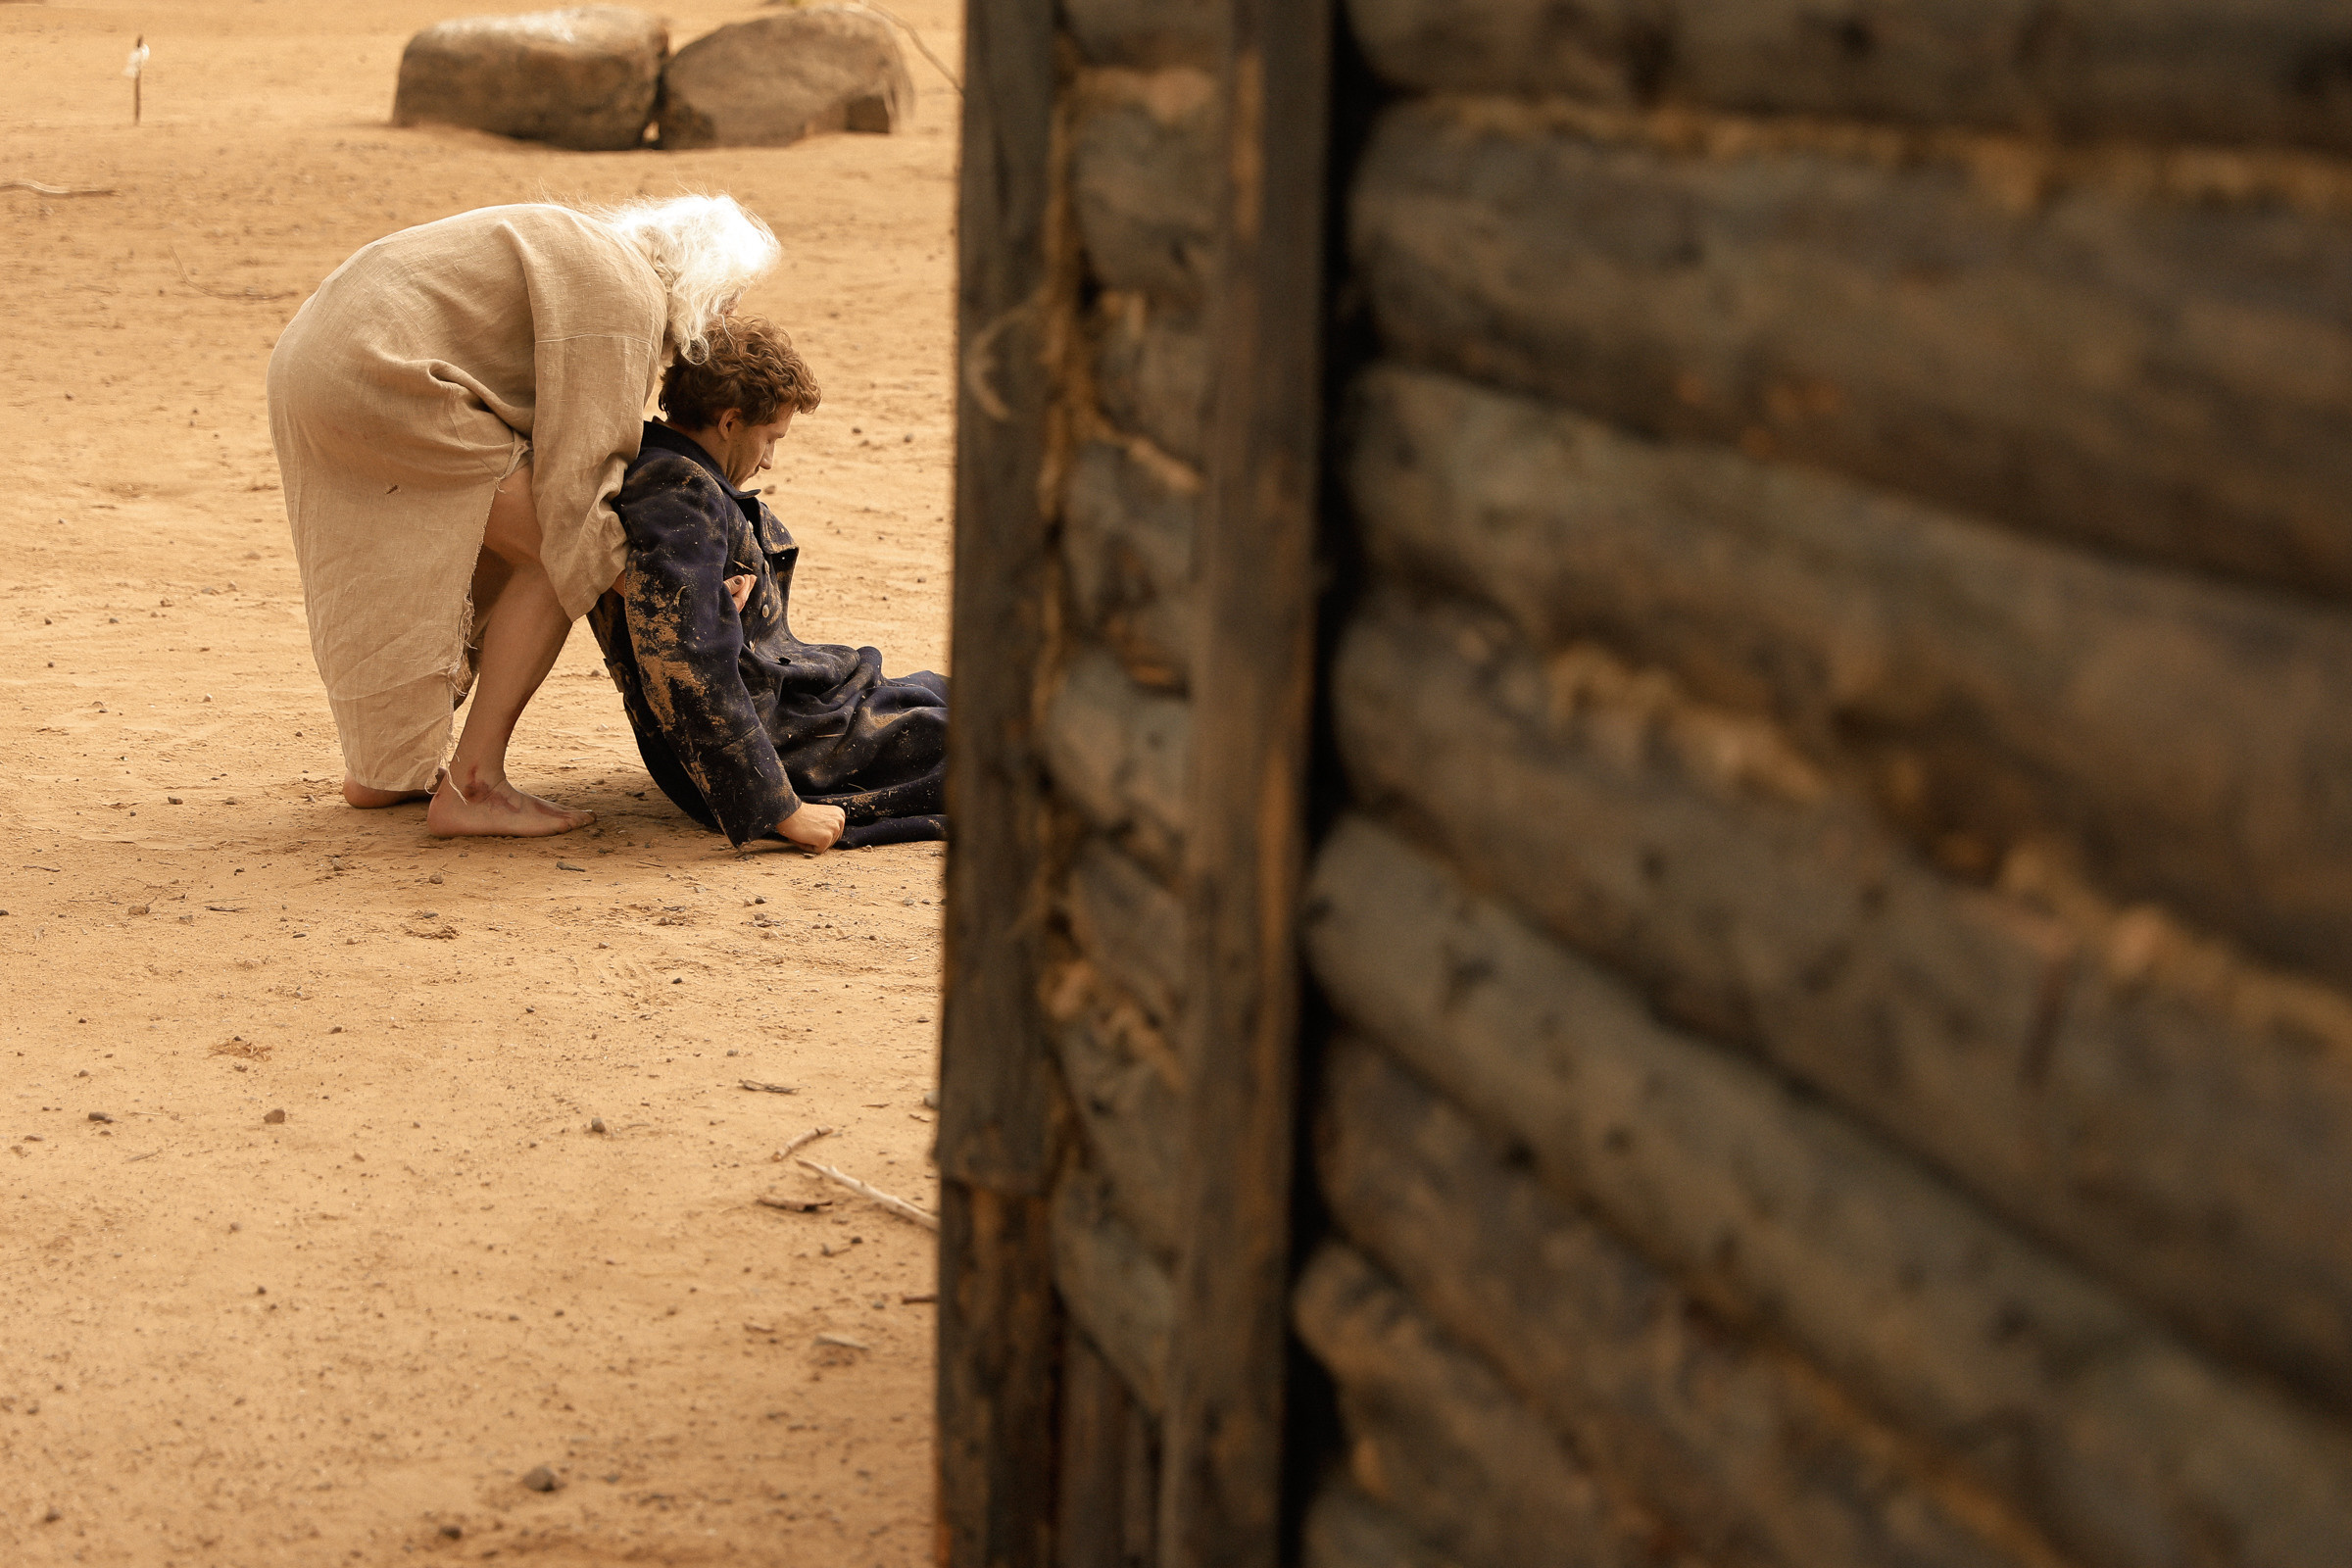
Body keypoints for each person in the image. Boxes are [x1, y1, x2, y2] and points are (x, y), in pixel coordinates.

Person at [267, 194, 780, 837]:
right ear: (705, 281)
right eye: (730, 298)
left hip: (317, 360)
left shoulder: (597, 256)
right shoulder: (627, 295)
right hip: (376, 373)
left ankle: (386, 768)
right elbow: (580, 487)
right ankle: (476, 784)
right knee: (554, 553)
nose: (727, 320)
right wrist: (676, 597)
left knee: (490, 543)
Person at [587, 318, 948, 854]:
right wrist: (778, 807)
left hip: (798, 707)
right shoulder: (677, 490)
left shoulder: (671, 474)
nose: (769, 460)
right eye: (770, 438)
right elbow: (686, 664)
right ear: (730, 421)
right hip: (780, 747)